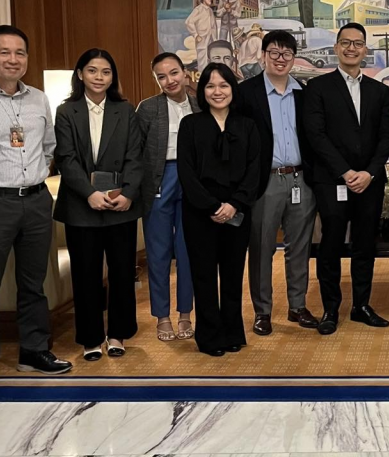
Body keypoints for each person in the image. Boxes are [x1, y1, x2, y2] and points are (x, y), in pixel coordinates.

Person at [0, 25, 73, 394]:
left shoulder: (38, 99)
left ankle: (33, 351)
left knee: (34, 284)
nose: (13, 59)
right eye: (4, 52)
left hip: (36, 202)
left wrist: (35, 176)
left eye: (20, 52)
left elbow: (49, 146)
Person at [302, 22, 389, 335]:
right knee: (330, 244)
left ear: (365, 49)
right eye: (345, 43)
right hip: (332, 181)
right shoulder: (317, 87)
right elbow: (316, 135)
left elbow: (385, 137)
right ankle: (330, 308)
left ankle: (361, 306)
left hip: (370, 181)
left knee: (365, 245)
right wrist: (345, 171)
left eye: (357, 43)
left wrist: (369, 172)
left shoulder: (379, 91)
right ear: (336, 47)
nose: (351, 48)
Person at [53, 48, 143, 361]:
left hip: (120, 204)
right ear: (80, 74)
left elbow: (135, 156)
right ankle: (90, 337)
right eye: (92, 70)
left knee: (122, 273)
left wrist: (128, 194)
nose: (99, 77)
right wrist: (89, 193)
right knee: (86, 274)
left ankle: (118, 333)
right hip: (81, 206)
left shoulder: (125, 110)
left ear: (112, 77)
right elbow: (65, 158)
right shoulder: (66, 111)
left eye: (106, 72)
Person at [177, 62, 261, 356]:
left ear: (232, 89)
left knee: (233, 274)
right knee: (203, 276)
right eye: (210, 86)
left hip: (238, 209)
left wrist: (235, 204)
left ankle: (232, 332)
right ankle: (210, 337)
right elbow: (186, 172)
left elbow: (254, 170)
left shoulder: (247, 125)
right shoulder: (190, 124)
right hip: (200, 211)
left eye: (223, 85)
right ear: (202, 91)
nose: (217, 91)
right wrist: (213, 206)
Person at [238, 30, 319, 335]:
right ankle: (263, 311)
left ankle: (297, 306)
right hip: (266, 181)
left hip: (301, 180)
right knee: (261, 248)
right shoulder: (246, 93)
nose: (280, 59)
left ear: (294, 58)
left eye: (287, 53)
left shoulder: (304, 93)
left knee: (299, 247)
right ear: (263, 56)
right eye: (274, 52)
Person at [136, 52, 199, 342]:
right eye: (161, 77)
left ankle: (185, 313)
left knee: (188, 251)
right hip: (159, 182)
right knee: (159, 253)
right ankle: (162, 316)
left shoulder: (199, 104)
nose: (169, 80)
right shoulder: (148, 108)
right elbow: (136, 152)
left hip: (192, 182)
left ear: (184, 72)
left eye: (174, 73)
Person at [186, 0, 218, 71]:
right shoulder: (198, 10)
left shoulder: (210, 10)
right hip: (202, 38)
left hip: (211, 37)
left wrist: (215, 37)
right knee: (202, 57)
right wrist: (196, 35)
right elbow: (188, 22)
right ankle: (202, 73)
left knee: (211, 56)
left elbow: (214, 25)